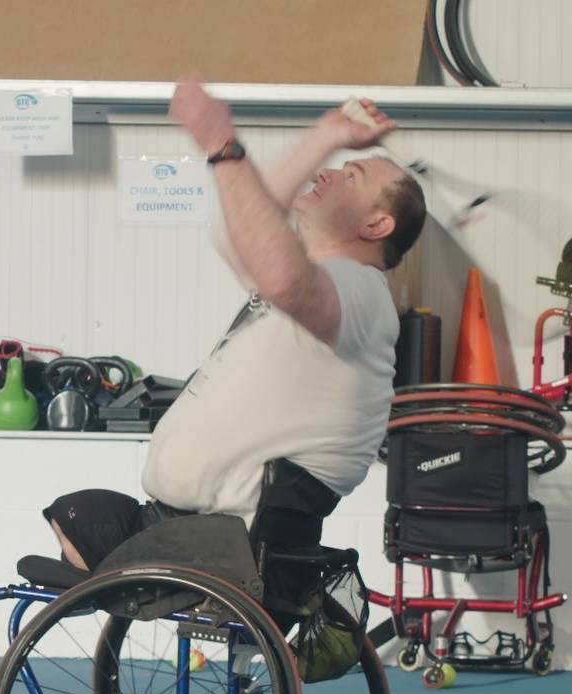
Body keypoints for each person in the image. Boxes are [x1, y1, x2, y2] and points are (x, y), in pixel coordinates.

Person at [46, 77, 426, 573]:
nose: (327, 175)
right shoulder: (324, 279)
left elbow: (283, 277)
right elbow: (240, 230)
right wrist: (327, 135)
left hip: (228, 545)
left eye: (351, 176)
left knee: (82, 518)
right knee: (81, 516)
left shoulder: (361, 290)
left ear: (376, 226)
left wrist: (223, 146)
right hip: (193, 529)